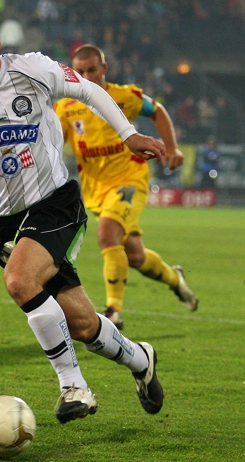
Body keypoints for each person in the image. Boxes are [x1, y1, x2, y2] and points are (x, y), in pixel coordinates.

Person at [0, 11, 170, 424]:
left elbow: (89, 91)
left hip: (55, 202)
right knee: (83, 326)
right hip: (6, 221)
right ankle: (141, 360)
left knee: (18, 280)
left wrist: (128, 134)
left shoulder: (33, 69)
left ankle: (74, 386)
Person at [54, 44, 198, 331]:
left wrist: (172, 147)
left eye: (92, 69)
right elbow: (52, 143)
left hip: (130, 181)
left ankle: (113, 312)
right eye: (79, 71)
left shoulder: (123, 96)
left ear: (104, 69)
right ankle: (174, 278)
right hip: (96, 191)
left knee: (107, 234)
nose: (86, 75)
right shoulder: (67, 107)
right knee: (134, 256)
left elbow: (156, 110)